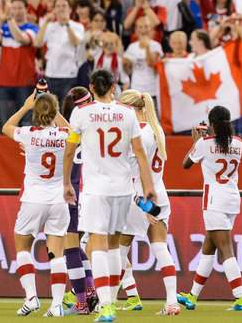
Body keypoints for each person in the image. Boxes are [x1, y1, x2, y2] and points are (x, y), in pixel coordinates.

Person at [61, 69, 156, 323]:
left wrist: (65, 183)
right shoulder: (127, 113)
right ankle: (111, 301)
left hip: (95, 189)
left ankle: (106, 308)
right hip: (123, 188)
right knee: (114, 246)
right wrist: (149, 187)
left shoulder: (80, 113)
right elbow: (139, 152)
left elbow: (70, 151)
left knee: (98, 245)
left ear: (91, 87)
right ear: (113, 87)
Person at [3, 92, 70, 317]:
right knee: (56, 254)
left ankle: (31, 298)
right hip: (59, 200)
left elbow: (6, 127)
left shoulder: (28, 134)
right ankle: (57, 305)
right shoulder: (64, 135)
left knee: (22, 247)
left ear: (36, 112)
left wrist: (25, 107)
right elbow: (72, 131)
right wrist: (54, 110)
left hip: (33, 199)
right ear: (54, 112)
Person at [178, 106, 242, 311]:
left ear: (211, 124)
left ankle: (240, 298)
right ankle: (192, 296)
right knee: (209, 247)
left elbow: (185, 164)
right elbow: (222, 146)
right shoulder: (239, 143)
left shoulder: (203, 143)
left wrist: (196, 141)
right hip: (232, 199)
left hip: (214, 200)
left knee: (226, 249)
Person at [116, 90, 178, 315]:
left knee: (118, 251)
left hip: (138, 196)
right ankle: (172, 302)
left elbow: (135, 172)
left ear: (131, 109)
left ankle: (108, 303)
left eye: (122, 108)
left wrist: (142, 204)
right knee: (161, 249)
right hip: (160, 192)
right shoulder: (156, 129)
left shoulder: (134, 134)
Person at [59, 87, 96, 315]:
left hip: (73, 190)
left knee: (70, 246)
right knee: (81, 245)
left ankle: (82, 302)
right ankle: (91, 292)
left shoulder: (67, 131)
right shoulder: (96, 127)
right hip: (93, 191)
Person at [0, 0, 38, 123]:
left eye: (20, 8)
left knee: (27, 121)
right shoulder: (5, 27)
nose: (17, 11)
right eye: (14, 8)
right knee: (7, 122)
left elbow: (21, 39)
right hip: (5, 81)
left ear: (26, 9)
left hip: (24, 82)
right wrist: (0, 20)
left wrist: (9, 19)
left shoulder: (32, 28)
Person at [33, 0, 84, 102]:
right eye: (58, 6)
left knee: (66, 110)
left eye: (64, 6)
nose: (61, 8)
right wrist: (46, 23)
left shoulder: (77, 26)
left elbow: (76, 43)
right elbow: (37, 43)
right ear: (54, 9)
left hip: (69, 75)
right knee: (50, 111)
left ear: (70, 9)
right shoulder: (49, 26)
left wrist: (67, 25)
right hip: (50, 74)